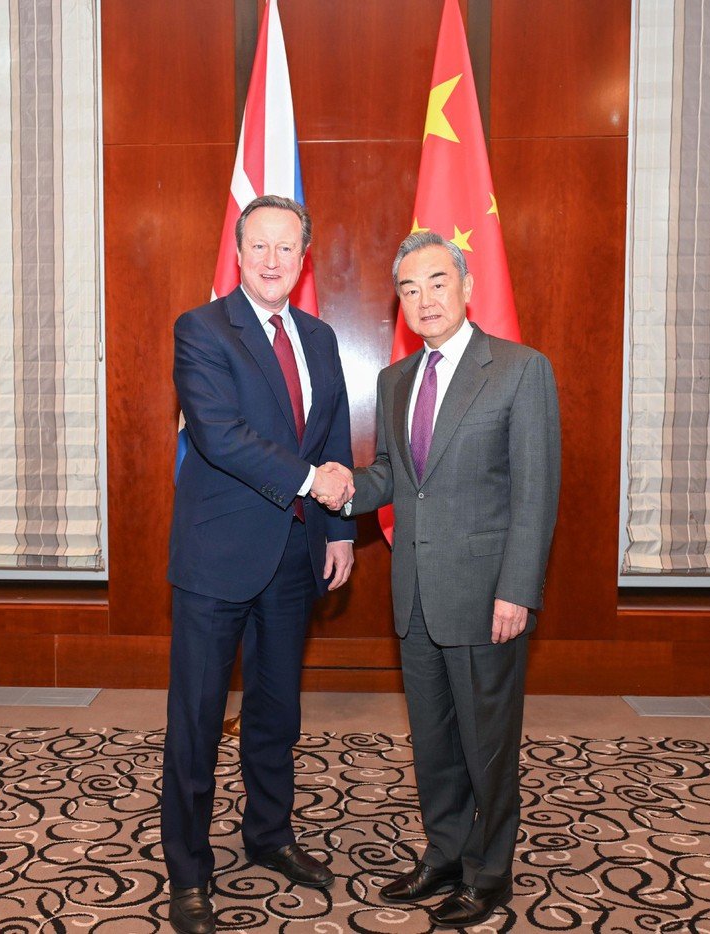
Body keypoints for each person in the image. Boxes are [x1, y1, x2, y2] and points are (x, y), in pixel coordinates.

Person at [320, 230, 560, 929]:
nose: (423, 299)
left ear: (465, 288)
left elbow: (534, 492)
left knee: (487, 744)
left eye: (435, 282)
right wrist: (341, 489)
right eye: (408, 288)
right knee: (431, 741)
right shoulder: (394, 380)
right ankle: (445, 855)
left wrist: (517, 589)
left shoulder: (518, 369)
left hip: (488, 598)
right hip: (416, 596)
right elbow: (396, 480)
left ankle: (490, 873)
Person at [162, 194, 356, 934]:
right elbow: (218, 433)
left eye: (287, 248)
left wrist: (338, 529)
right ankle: (188, 871)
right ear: (238, 254)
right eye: (260, 246)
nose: (273, 260)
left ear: (303, 259)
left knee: (276, 714)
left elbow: (333, 430)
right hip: (217, 559)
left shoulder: (320, 336)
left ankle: (269, 836)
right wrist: (313, 483)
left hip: (294, 556)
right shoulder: (202, 329)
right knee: (198, 721)